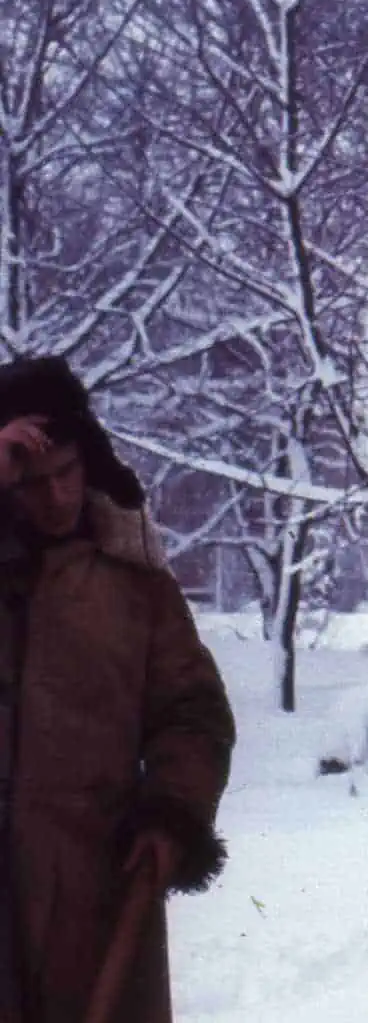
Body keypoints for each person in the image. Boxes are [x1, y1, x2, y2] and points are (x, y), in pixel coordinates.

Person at [0, 356, 236, 1023]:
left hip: (89, 889)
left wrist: (171, 812)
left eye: (66, 473)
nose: (55, 497)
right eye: (30, 481)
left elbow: (192, 714)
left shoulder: (134, 584)